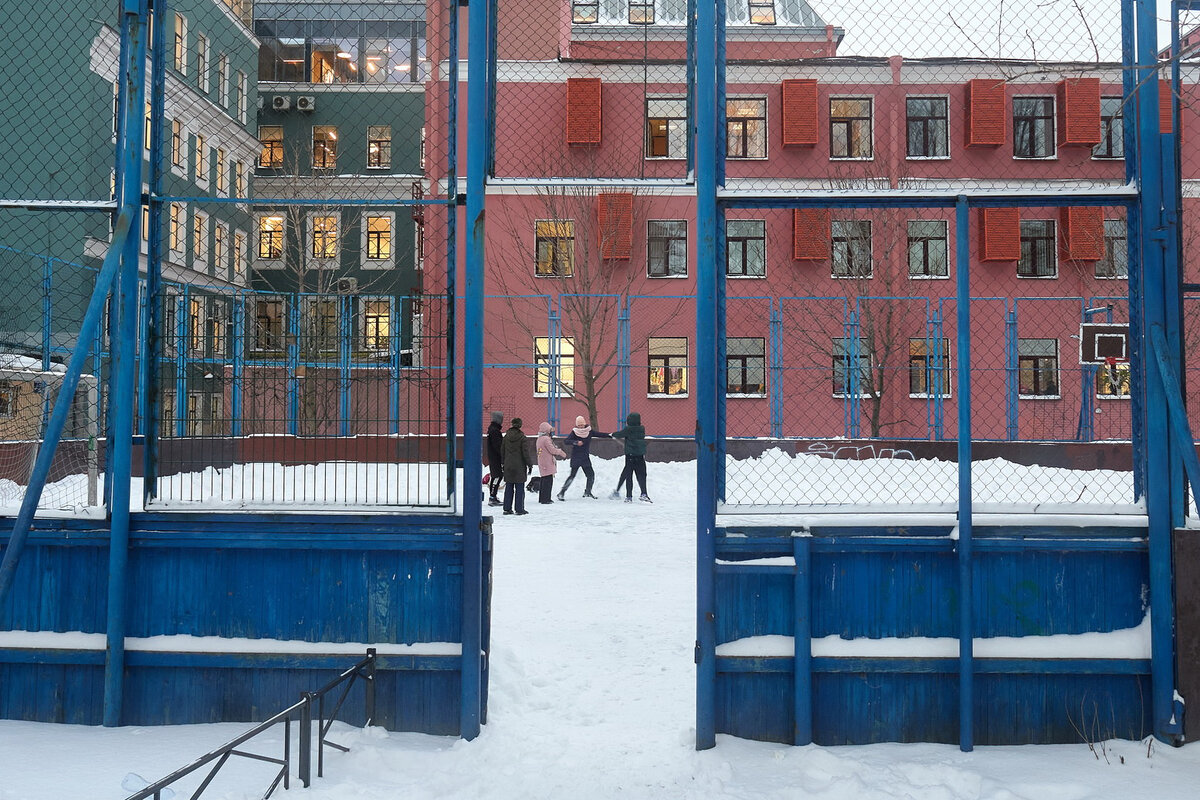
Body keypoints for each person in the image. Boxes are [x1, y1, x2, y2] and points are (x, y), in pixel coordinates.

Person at [557, 415, 608, 500]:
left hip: (585, 458)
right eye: (579, 425)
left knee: (591, 475)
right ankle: (561, 493)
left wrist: (609, 435)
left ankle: (588, 492)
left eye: (582, 425)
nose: (580, 427)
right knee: (572, 476)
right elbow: (566, 441)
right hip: (576, 457)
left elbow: (599, 434)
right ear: (576, 425)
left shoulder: (589, 431)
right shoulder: (574, 432)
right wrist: (576, 442)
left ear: (584, 424)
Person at [610, 412, 650, 503]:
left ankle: (629, 496)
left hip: (630, 456)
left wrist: (612, 434)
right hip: (640, 456)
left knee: (629, 475)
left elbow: (619, 434)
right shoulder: (642, 429)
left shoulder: (628, 429)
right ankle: (644, 493)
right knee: (642, 475)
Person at [501, 418, 532, 515]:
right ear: (520, 425)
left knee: (509, 487)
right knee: (519, 488)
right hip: (519, 466)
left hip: (508, 465)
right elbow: (525, 453)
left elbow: (502, 451)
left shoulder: (506, 437)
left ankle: (507, 508)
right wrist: (529, 464)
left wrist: (503, 463)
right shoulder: (522, 437)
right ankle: (519, 509)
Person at [535, 421, 567, 504]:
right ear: (546, 430)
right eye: (550, 430)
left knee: (543, 480)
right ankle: (546, 499)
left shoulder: (539, 438)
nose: (551, 432)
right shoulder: (546, 439)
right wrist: (560, 452)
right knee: (548, 481)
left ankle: (542, 498)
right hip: (547, 462)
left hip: (542, 461)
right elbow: (552, 450)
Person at [486, 411, 504, 507]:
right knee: (497, 476)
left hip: (493, 456)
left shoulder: (492, 430)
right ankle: (492, 497)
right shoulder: (495, 431)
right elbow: (498, 446)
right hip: (495, 457)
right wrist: (503, 455)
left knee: (495, 476)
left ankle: (493, 496)